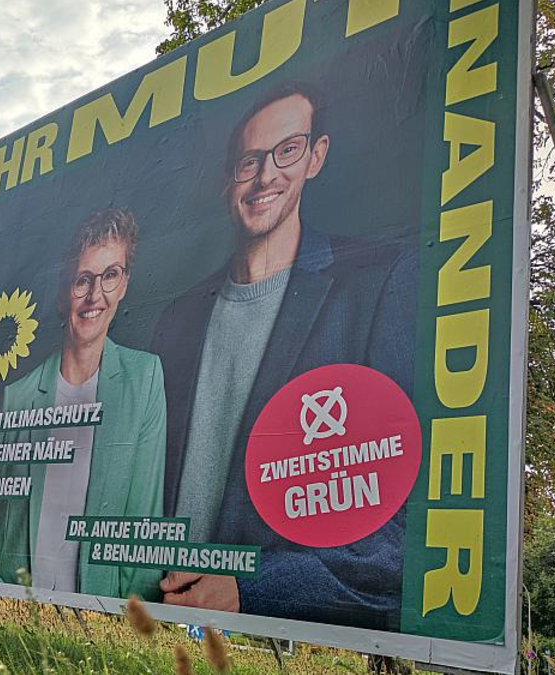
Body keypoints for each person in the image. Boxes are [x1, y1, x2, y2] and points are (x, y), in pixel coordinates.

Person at [150, 83, 415, 630]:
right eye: (250, 161)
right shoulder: (176, 318)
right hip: (152, 616)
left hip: (273, 639)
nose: (266, 175)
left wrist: (252, 589)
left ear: (316, 156)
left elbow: (403, 537)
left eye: (287, 151)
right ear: (229, 180)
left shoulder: (379, 283)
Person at [0, 207, 167, 600]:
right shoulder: (16, 396)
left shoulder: (145, 379)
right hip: (12, 621)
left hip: (98, 627)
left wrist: (124, 634)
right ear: (62, 292)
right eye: (82, 280)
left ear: (124, 284)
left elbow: (145, 529)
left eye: (110, 276)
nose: (95, 296)